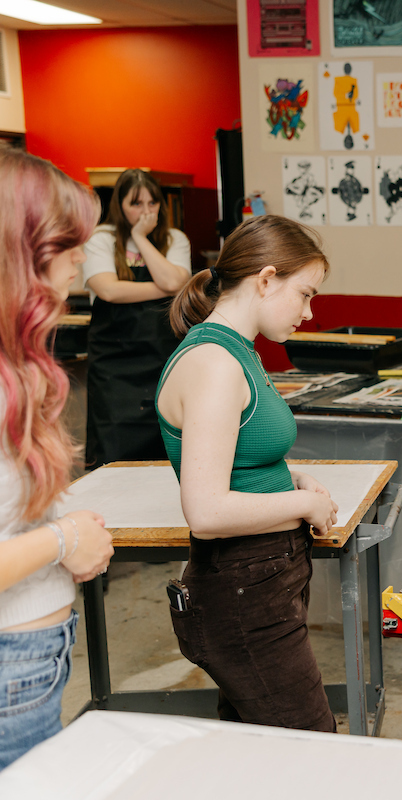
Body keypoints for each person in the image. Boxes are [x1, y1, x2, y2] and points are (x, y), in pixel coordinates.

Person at [154, 215, 338, 732]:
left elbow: (239, 457)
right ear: (265, 278)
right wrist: (303, 505)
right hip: (243, 588)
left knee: (256, 757)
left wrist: (292, 478)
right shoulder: (214, 362)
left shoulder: (238, 352)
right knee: (314, 752)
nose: (309, 311)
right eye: (304, 294)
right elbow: (207, 512)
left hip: (261, 580)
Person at [0, 149, 114, 769]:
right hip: (11, 673)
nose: (80, 263)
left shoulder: (17, 369)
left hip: (30, 660)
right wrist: (65, 540)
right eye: (68, 245)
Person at [82, 169, 191, 468]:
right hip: (115, 363)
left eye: (152, 203)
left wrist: (141, 238)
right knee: (113, 439)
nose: (146, 212)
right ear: (120, 205)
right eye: (136, 204)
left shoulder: (174, 238)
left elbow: (175, 282)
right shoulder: (100, 238)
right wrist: (164, 287)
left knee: (166, 437)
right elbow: (108, 291)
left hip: (162, 356)